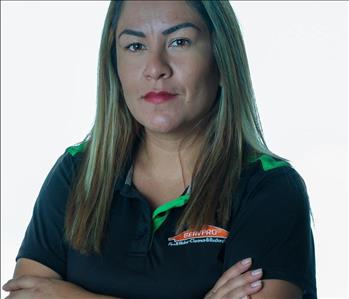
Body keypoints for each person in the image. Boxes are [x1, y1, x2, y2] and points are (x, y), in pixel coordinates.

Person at [2, 1, 317, 298]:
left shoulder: (269, 189)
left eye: (179, 42)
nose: (155, 68)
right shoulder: (77, 172)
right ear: (114, 65)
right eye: (135, 46)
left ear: (222, 59)